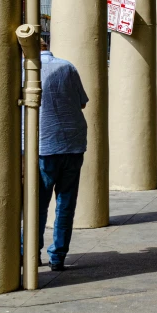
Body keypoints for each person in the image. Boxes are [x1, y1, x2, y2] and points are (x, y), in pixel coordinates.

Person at [38, 39, 89, 271]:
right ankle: (58, 256)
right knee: (66, 203)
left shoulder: (23, 68)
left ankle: (29, 252)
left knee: (37, 204)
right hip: (72, 144)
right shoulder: (67, 67)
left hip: (43, 147)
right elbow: (82, 102)